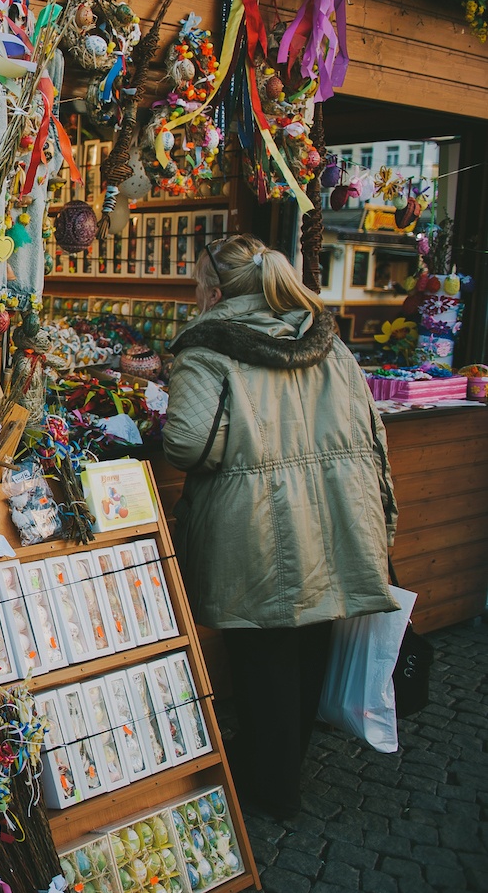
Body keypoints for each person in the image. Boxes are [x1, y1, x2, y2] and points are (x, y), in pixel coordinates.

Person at [163, 234, 397, 820]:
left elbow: (187, 445)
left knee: (259, 651)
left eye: (197, 283)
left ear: (215, 292)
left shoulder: (206, 347)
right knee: (309, 640)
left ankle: (270, 788)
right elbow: (371, 431)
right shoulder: (327, 340)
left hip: (255, 528)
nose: (195, 293)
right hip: (333, 520)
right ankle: (283, 766)